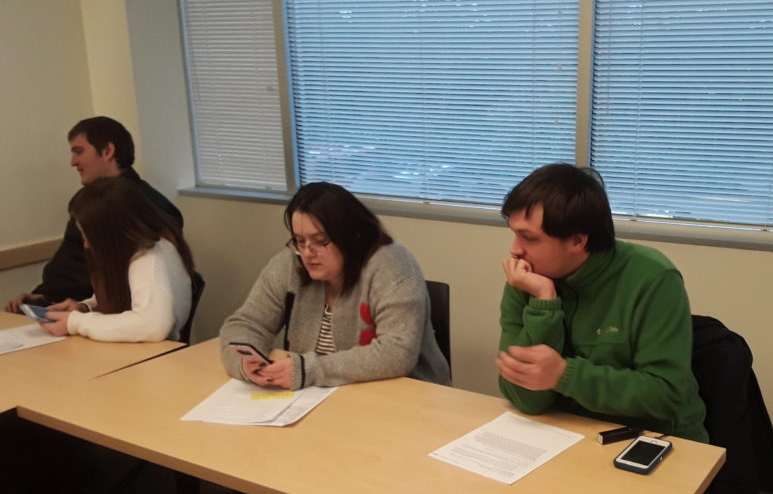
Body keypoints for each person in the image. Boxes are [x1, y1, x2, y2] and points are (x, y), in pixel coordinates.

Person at [433, 163, 708, 494]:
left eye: (528, 237)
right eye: (513, 232)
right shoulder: (526, 278)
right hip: (559, 433)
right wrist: (543, 301)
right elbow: (526, 400)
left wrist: (567, 373)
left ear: (579, 240)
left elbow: (667, 394)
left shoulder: (652, 279)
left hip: (647, 441)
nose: (515, 249)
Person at [219, 181, 450, 389]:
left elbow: (397, 352)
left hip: (402, 396)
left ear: (353, 236)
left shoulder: (391, 263)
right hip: (320, 396)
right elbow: (247, 323)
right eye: (300, 240)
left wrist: (307, 370)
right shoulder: (290, 263)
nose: (307, 253)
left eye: (321, 241)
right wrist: (246, 361)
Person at [4, 116, 183, 312]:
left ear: (107, 151)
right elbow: (73, 264)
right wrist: (42, 297)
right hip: (66, 305)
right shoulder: (87, 200)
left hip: (104, 314)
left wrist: (77, 311)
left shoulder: (147, 208)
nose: (73, 162)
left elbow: (122, 287)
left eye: (79, 152)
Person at [36, 177, 195, 343]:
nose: (87, 244)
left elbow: (152, 324)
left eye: (88, 236)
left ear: (110, 233)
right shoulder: (137, 250)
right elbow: (125, 297)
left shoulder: (149, 258)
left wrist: (75, 322)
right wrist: (84, 308)